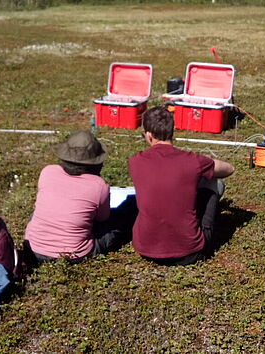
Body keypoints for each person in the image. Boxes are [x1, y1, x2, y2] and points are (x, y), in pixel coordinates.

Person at [128, 105, 235, 266]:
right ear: (173, 130)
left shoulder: (135, 161)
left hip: (145, 248)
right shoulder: (193, 161)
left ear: (149, 135)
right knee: (213, 180)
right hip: (191, 251)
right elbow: (229, 169)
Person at [24, 130, 135, 264]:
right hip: (74, 254)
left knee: (35, 214)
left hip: (33, 249)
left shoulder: (48, 171)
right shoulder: (98, 185)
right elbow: (102, 219)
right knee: (118, 222)